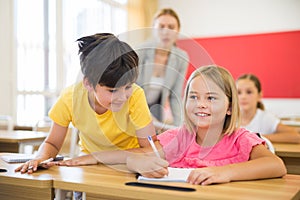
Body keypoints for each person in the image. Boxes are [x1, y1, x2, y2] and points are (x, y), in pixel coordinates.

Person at [15, 33, 158, 174]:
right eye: (113, 90)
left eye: (128, 87)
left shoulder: (136, 95)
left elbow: (150, 149)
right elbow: (52, 143)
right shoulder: (70, 98)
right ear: (89, 83)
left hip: (126, 165)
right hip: (87, 167)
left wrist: (98, 157)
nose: (123, 96)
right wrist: (40, 158)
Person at [125, 65, 286, 185]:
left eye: (210, 98)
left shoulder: (241, 139)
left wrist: (224, 173)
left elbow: (276, 165)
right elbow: (131, 156)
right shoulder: (176, 138)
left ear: (229, 107)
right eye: (193, 97)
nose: (200, 104)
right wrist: (136, 163)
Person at [135, 8, 189, 132]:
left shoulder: (181, 58)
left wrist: (179, 128)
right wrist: (147, 117)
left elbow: (175, 96)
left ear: (178, 31)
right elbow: (130, 90)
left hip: (156, 109)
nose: (166, 32)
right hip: (133, 106)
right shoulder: (140, 52)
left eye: (171, 27)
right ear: (153, 29)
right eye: (161, 26)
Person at [236, 74, 300, 144]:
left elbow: (296, 136)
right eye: (239, 93)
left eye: (249, 92)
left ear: (259, 96)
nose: (243, 97)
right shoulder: (229, 118)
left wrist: (257, 137)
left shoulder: (266, 118)